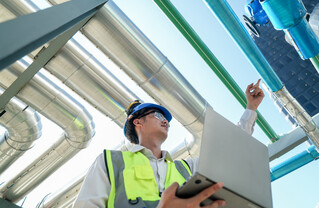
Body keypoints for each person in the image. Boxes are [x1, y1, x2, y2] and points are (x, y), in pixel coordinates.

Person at [73, 79, 264, 208]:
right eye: (158, 115)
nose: (165, 121)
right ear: (137, 122)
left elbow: (229, 150)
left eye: (166, 119)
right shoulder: (110, 161)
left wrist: (251, 108)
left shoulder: (187, 169)